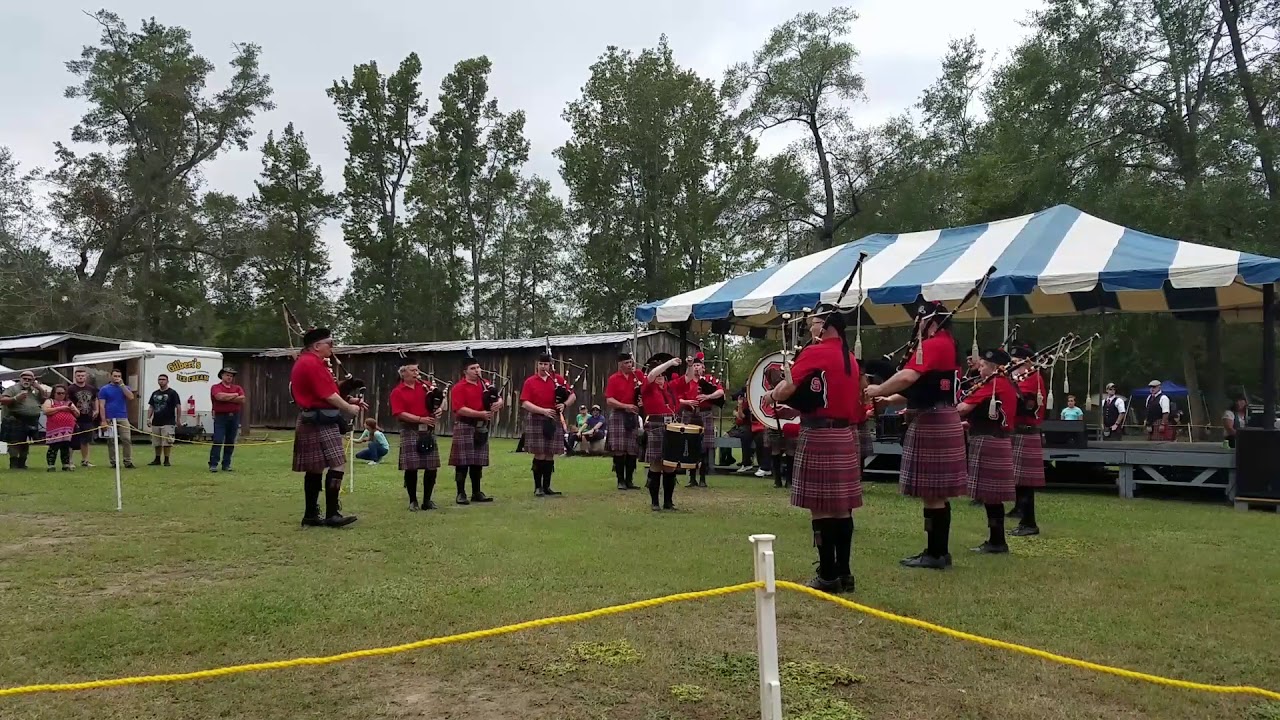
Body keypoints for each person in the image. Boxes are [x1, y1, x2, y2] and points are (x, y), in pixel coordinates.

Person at [762, 305, 863, 592]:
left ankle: (827, 575)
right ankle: (844, 573)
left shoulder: (816, 352)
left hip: (819, 435)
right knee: (843, 509)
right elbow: (821, 395)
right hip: (844, 434)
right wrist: (795, 406)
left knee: (819, 509)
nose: (809, 328)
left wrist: (771, 395)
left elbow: (789, 385)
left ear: (826, 325)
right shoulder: (851, 358)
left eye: (813, 323)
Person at [865, 301, 966, 570]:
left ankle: (934, 554)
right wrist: (890, 399)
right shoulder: (948, 344)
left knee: (932, 492)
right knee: (937, 493)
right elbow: (923, 385)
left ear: (928, 320)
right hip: (940, 415)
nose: (916, 325)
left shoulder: (933, 345)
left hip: (932, 419)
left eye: (919, 320)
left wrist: (878, 389)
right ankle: (939, 552)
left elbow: (908, 376)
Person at [291, 327, 365, 527]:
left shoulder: (309, 362)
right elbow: (327, 396)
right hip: (319, 420)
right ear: (316, 346)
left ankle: (311, 515)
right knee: (337, 463)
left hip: (314, 418)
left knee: (314, 469)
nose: (332, 348)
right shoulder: (312, 364)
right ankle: (332, 514)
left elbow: (326, 391)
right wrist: (348, 407)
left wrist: (350, 398)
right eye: (330, 344)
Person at [956, 348, 1018, 554]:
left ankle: (997, 541)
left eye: (982, 365)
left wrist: (943, 412)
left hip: (989, 440)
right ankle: (996, 539)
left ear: (993, 367)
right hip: (996, 438)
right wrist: (970, 424)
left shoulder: (993, 384)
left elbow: (963, 408)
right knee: (993, 497)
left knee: (991, 496)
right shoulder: (1005, 383)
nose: (979, 368)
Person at [449, 355, 504, 504]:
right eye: (473, 369)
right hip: (465, 425)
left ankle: (476, 492)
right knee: (462, 462)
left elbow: (498, 397)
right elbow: (459, 409)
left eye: (478, 368)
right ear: (465, 371)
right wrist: (479, 414)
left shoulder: (485, 384)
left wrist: (498, 403)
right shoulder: (459, 388)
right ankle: (461, 493)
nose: (477, 371)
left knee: (477, 462)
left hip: (481, 427)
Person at [389, 360, 444, 511]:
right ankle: (413, 501)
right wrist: (420, 419)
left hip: (428, 430)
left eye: (417, 370)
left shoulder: (426, 386)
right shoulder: (397, 391)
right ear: (403, 373)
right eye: (412, 370)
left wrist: (440, 409)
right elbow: (399, 413)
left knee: (431, 466)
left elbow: (440, 400)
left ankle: (427, 500)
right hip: (410, 430)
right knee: (411, 467)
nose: (416, 373)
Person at [520, 352, 576, 497]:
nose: (543, 367)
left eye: (546, 364)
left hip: (553, 420)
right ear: (537, 365)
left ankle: (547, 487)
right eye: (541, 364)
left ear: (550, 365)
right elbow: (525, 403)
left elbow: (572, 395)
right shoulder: (530, 381)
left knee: (550, 454)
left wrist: (564, 404)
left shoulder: (558, 380)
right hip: (537, 418)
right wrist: (543, 411)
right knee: (540, 453)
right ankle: (538, 487)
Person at [1008, 344, 1047, 537]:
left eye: (1016, 363)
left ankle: (1029, 522)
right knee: (1020, 481)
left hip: (1026, 430)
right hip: (1019, 431)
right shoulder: (1023, 377)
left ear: (1028, 362)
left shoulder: (1032, 379)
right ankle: (1024, 518)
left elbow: (1024, 403)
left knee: (1025, 482)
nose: (1013, 366)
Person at [669, 353, 724, 488]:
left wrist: (708, 396)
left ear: (703, 367)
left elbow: (721, 392)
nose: (696, 368)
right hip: (689, 413)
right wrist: (687, 401)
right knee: (691, 445)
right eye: (694, 365)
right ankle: (692, 478)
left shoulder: (710, 379)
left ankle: (703, 478)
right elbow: (675, 397)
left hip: (705, 413)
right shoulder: (686, 381)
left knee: (704, 447)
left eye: (698, 365)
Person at [640, 356, 684, 510]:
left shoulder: (669, 389)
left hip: (671, 426)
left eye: (662, 376)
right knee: (656, 464)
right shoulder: (648, 386)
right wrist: (669, 363)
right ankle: (654, 503)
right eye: (658, 375)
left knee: (670, 465)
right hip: (656, 426)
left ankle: (668, 502)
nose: (659, 378)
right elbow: (651, 376)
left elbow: (688, 378)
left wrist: (690, 364)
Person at [604, 352, 645, 491]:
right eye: (626, 363)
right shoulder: (614, 379)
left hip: (632, 415)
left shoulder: (637, 375)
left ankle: (629, 480)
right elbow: (609, 400)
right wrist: (625, 406)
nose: (629, 365)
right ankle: (620, 481)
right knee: (619, 449)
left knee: (632, 449)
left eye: (630, 362)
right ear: (620, 365)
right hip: (618, 414)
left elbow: (645, 388)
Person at [1, 370, 48, 469]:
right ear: (20, 379)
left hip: (30, 420)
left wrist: (39, 387)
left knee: (25, 442)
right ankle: (13, 463)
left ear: (33, 381)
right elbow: (3, 400)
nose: (27, 381)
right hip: (15, 418)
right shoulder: (12, 389)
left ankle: (22, 463)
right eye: (25, 379)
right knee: (14, 442)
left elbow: (43, 399)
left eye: (29, 379)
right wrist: (16, 399)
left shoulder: (34, 390)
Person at [97, 368, 135, 469]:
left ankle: (128, 461)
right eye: (115, 376)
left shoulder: (125, 387)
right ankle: (114, 462)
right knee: (111, 440)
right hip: (109, 417)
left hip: (122, 417)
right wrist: (103, 420)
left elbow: (131, 397)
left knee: (126, 439)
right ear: (111, 376)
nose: (117, 378)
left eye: (119, 376)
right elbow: (101, 405)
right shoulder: (104, 389)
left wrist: (122, 385)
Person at [209, 368, 245, 472]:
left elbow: (242, 399)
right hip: (220, 417)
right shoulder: (216, 387)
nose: (229, 377)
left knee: (230, 441)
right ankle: (213, 464)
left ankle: (226, 464)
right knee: (218, 440)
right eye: (227, 375)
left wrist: (227, 397)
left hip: (234, 416)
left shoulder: (237, 387)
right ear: (222, 376)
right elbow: (219, 397)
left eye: (231, 376)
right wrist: (234, 396)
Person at [147, 374, 182, 466]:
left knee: (167, 442)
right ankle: (157, 459)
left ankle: (166, 460)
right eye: (159, 379)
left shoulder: (173, 393)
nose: (161, 381)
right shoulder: (155, 393)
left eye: (163, 379)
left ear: (167, 381)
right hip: (156, 421)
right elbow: (151, 406)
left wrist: (178, 419)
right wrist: (148, 418)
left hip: (168, 421)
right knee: (156, 442)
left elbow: (178, 406)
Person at [42, 385, 79, 472]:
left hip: (68, 429)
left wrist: (73, 409)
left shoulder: (68, 402)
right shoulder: (49, 401)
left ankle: (65, 465)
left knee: (65, 447)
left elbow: (77, 414)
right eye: (58, 393)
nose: (61, 395)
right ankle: (51, 465)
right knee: (53, 447)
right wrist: (61, 408)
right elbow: (46, 411)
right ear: (54, 393)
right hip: (54, 429)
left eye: (63, 393)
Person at [69, 367, 99, 467]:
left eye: (82, 376)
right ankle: (69, 461)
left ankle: (85, 460)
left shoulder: (91, 388)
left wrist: (96, 410)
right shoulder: (71, 389)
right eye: (78, 376)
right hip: (74, 418)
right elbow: (67, 402)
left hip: (88, 418)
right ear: (75, 377)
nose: (81, 377)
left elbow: (95, 400)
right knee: (72, 440)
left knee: (86, 440)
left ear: (86, 377)